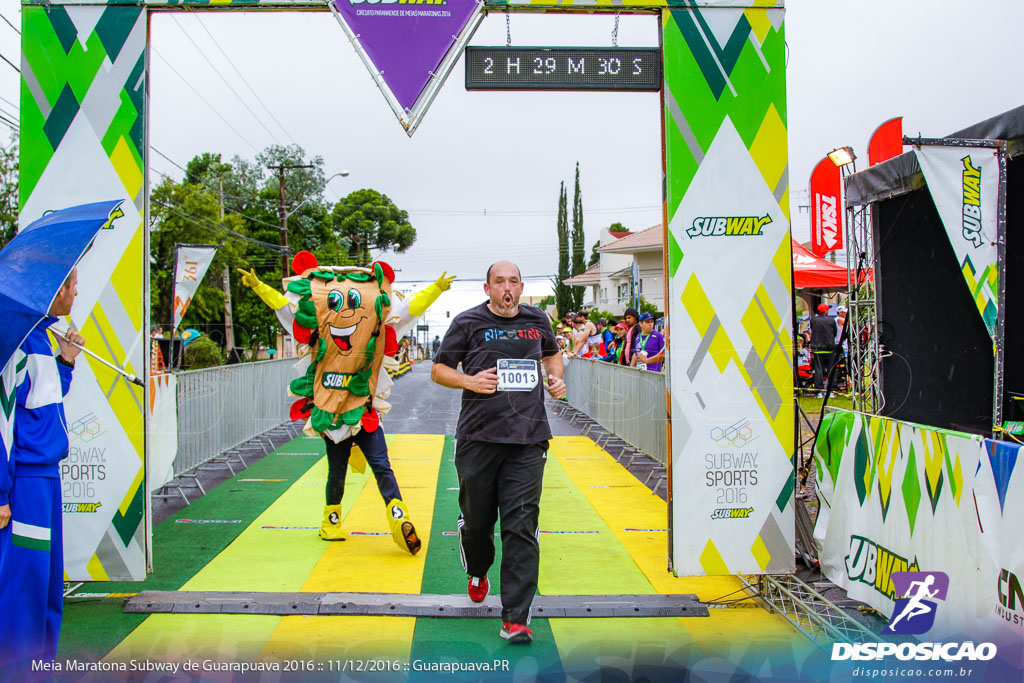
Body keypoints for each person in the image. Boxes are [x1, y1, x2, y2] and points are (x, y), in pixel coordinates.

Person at [430, 261, 566, 645]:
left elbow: (552, 354)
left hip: (528, 438)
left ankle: (516, 618)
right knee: (478, 522)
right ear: (487, 288)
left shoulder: (537, 320)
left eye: (513, 282)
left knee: (521, 526)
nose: (507, 288)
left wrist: (555, 377)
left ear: (521, 287)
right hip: (478, 438)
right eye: (499, 282)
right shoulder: (467, 322)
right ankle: (477, 568)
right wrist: (469, 380)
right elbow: (439, 370)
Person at [0, 268, 84, 671]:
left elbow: (43, 401)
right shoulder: (14, 339)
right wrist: (1, 493)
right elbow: (2, 419)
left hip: (46, 477)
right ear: (55, 288)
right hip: (26, 483)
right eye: (71, 284)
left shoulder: (42, 334)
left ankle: (40, 670)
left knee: (50, 585)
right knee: (26, 585)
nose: (76, 291)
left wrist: (65, 362)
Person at [809, 302, 838, 395]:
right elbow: (835, 333)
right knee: (831, 369)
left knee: (818, 369)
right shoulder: (831, 320)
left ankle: (818, 390)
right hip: (830, 348)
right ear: (825, 311)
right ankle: (832, 390)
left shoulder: (813, 320)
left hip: (818, 348)